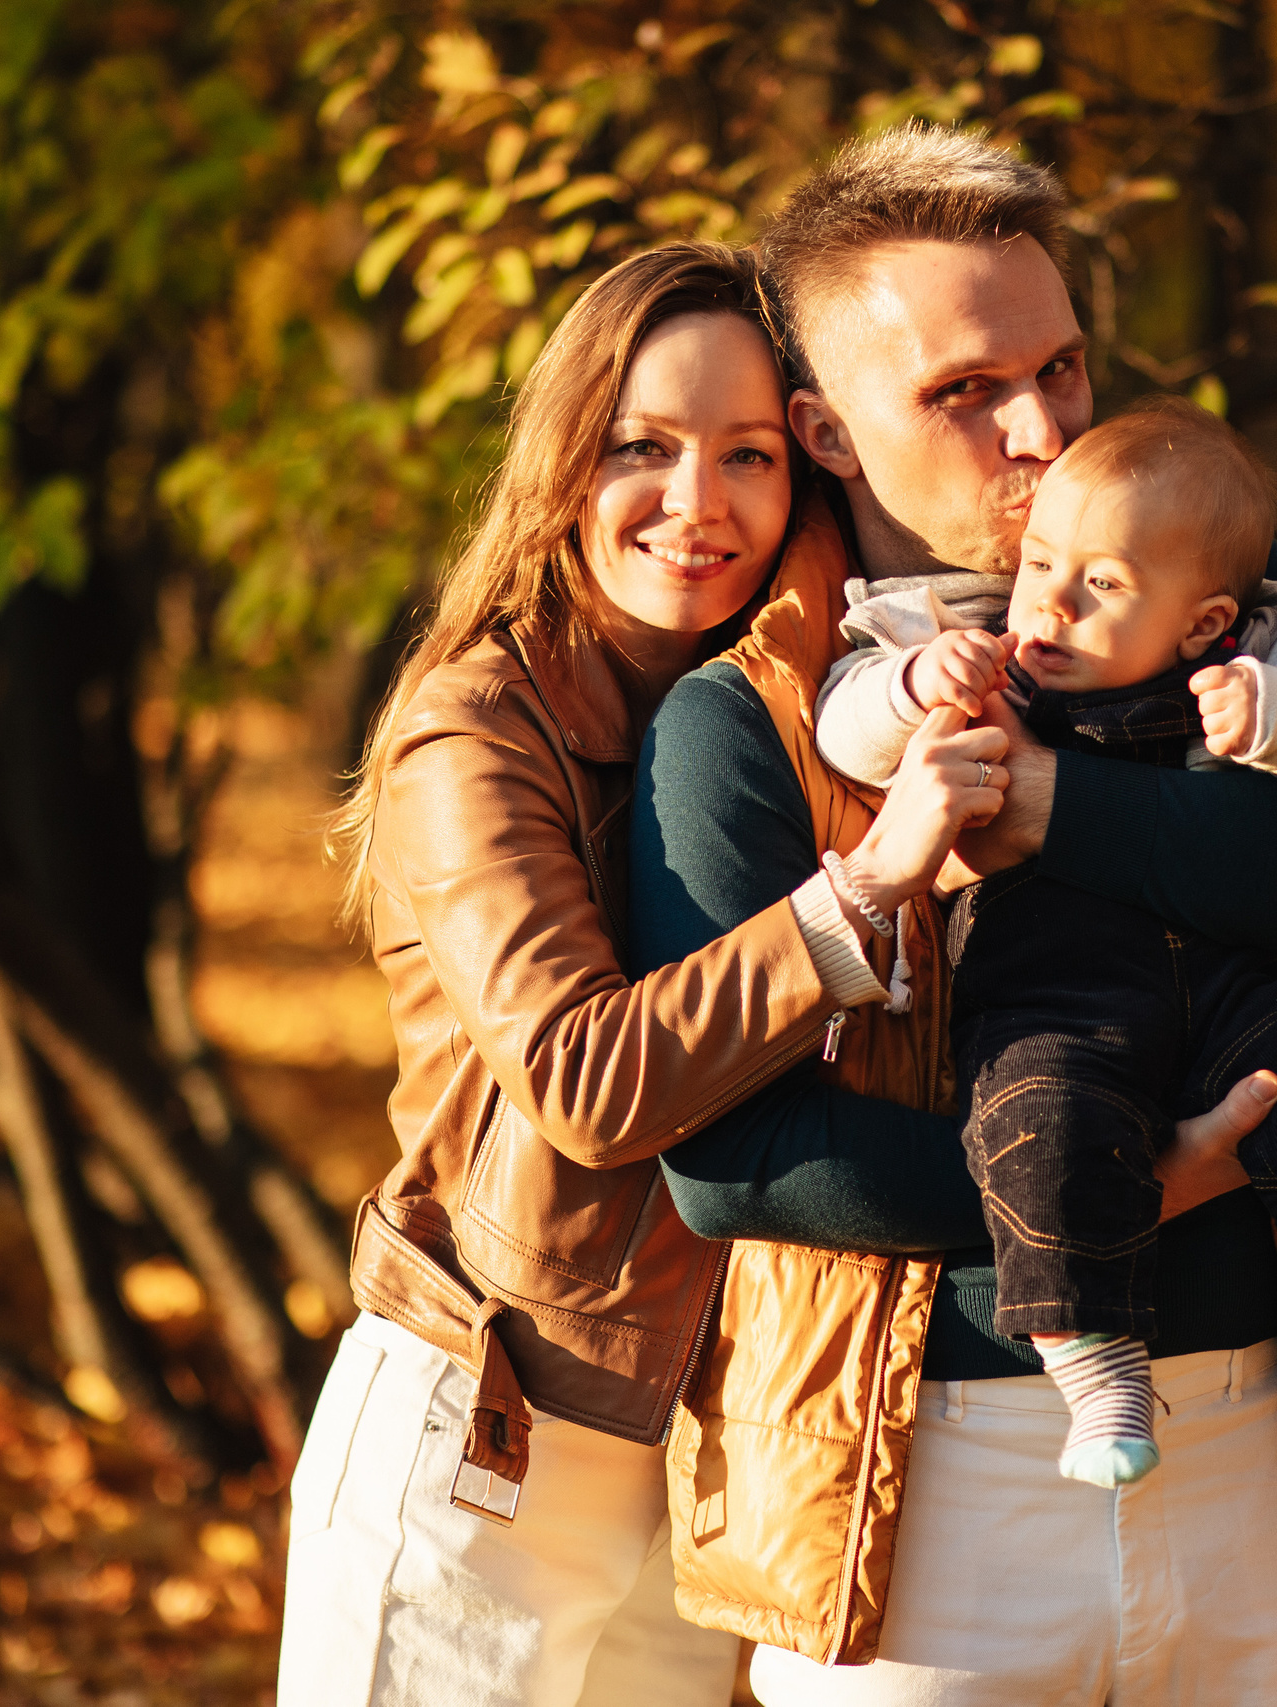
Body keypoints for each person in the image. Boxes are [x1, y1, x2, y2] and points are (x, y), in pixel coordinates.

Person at [630, 128, 1277, 1704]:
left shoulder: (1222, 594)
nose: (1042, 428)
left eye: (1064, 366)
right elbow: (735, 1165)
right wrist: (1136, 1184)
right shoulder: (752, 719)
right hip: (925, 1480)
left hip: (1267, 1445)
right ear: (825, 428)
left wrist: (1059, 808)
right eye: (963, 390)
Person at [279, 241, 1015, 1707]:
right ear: (565, 456)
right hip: (484, 1431)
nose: (700, 503)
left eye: (747, 453)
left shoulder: (787, 714)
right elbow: (588, 1081)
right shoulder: (475, 723)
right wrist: (860, 892)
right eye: (645, 446)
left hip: (701, 1446)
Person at [812, 397, 1277, 1491]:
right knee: (1038, 1135)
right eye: (1038, 569)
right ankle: (1101, 1373)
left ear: (1205, 623)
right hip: (1048, 994)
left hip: (1219, 985)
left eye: (1101, 588)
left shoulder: (1258, 655)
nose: (1048, 608)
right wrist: (915, 687)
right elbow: (846, 720)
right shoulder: (969, 646)